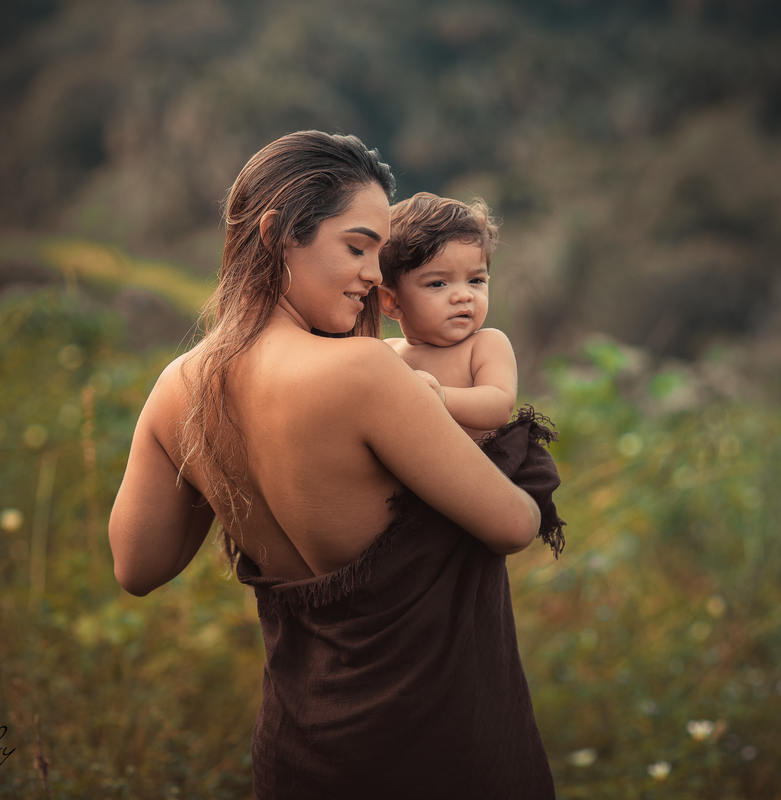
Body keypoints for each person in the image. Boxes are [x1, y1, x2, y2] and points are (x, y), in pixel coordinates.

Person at [108, 131, 563, 800]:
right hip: (435, 749)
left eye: (380, 255)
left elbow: (138, 567)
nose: (376, 276)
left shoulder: (179, 388)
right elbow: (515, 524)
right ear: (276, 233)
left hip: (301, 757)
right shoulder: (366, 372)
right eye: (357, 248)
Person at [378, 192, 516, 439]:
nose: (464, 295)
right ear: (391, 301)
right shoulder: (387, 354)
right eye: (438, 284)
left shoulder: (485, 344)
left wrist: (442, 396)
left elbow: (500, 405)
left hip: (485, 458)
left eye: (476, 280)